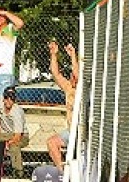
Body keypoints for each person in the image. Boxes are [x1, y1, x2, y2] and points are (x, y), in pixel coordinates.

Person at [46, 40, 78, 171]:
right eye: (71, 76)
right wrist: (54, 54)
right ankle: (61, 172)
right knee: (51, 142)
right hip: (71, 132)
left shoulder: (85, 91)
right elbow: (55, 73)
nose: (72, 77)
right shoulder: (68, 88)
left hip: (84, 133)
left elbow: (77, 73)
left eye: (74, 76)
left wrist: (73, 56)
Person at [0, 85, 29, 176]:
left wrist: (7, 143)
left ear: (14, 100)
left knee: (14, 146)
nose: (9, 101)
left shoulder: (17, 112)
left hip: (22, 135)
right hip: (6, 134)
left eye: (11, 98)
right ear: (3, 99)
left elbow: (17, 136)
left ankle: (18, 172)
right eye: (6, 98)